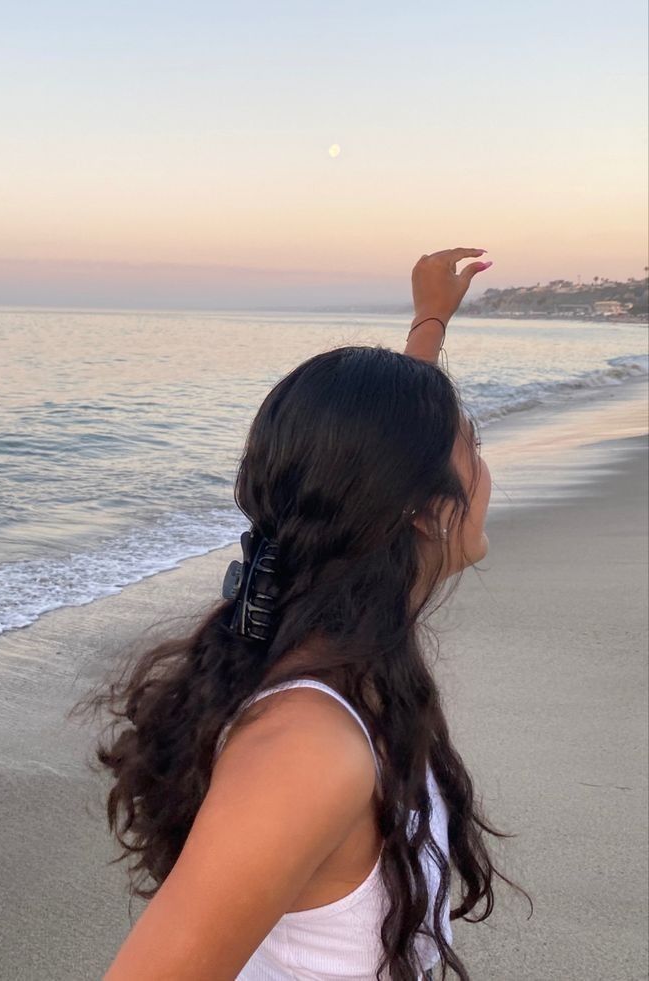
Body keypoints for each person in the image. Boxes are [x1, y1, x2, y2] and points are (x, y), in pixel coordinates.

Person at [82, 248, 527, 980]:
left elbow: (375, 453)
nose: (485, 474)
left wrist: (430, 322)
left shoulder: (350, 641)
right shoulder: (309, 748)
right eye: (472, 448)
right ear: (416, 509)